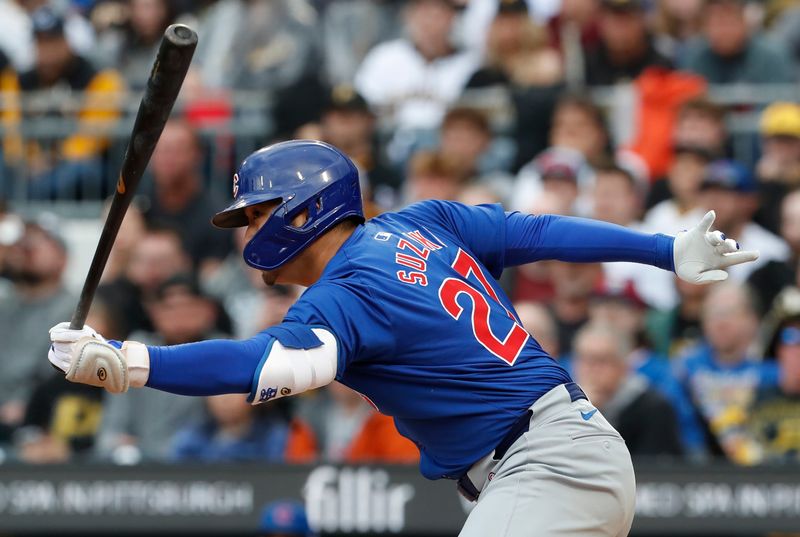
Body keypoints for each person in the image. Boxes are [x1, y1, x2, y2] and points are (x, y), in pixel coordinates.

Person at [48, 140, 758, 536]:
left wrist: (129, 360)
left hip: (544, 465)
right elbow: (538, 232)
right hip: (554, 456)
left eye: (257, 212)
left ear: (303, 209)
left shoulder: (348, 294)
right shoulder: (425, 222)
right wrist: (660, 249)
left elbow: (267, 364)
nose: (248, 229)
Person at [571, 323, 683, 457]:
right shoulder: (564, 407)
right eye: (585, 359)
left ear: (624, 365)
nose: (591, 369)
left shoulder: (653, 408)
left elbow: (651, 471)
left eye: (601, 360)